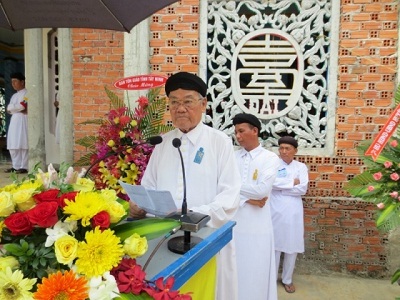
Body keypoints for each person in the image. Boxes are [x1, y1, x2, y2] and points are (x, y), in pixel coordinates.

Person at [129, 72, 241, 300]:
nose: (180, 108)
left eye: (188, 101)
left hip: (205, 241)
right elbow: (148, 186)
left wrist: (194, 217)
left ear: (203, 104)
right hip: (164, 242)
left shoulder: (219, 142)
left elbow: (230, 197)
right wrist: (139, 204)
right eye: (174, 102)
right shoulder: (162, 143)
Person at [232, 113, 280, 300]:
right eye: (236, 132)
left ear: (255, 131)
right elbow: (221, 185)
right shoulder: (233, 156)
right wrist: (247, 199)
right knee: (235, 267)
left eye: (241, 131)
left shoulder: (270, 158)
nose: (238, 136)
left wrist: (235, 190)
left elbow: (262, 191)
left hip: (258, 225)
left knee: (256, 268)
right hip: (234, 220)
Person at [269, 136, 309, 293]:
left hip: (293, 210)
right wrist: (292, 182)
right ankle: (271, 279)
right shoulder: (273, 165)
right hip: (274, 208)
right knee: (275, 245)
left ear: (295, 151)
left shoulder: (301, 167)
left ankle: (287, 279)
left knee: (291, 246)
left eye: (288, 148)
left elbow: (303, 189)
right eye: (281, 148)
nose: (284, 152)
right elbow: (270, 184)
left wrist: (280, 186)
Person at [4, 72, 28, 174]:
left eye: (15, 81)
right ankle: (15, 166)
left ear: (22, 82)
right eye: (12, 82)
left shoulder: (27, 93)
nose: (13, 84)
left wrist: (14, 108)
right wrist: (15, 108)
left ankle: (24, 166)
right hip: (14, 121)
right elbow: (8, 109)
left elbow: (23, 106)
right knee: (13, 144)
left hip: (23, 120)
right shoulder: (14, 96)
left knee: (23, 143)